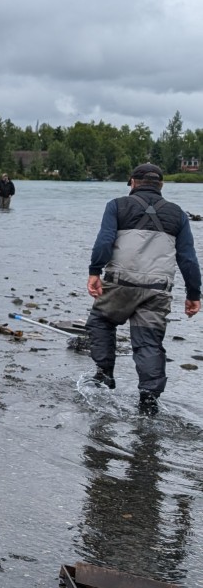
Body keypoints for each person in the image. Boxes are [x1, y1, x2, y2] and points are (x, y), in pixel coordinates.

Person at [85, 163, 200, 416]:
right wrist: (194, 294)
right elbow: (188, 258)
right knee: (149, 343)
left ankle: (104, 375)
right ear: (161, 185)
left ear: (133, 182)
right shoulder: (178, 214)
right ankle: (148, 399)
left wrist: (95, 271)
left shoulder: (116, 206)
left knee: (101, 322)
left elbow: (104, 241)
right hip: (157, 290)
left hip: (119, 284)